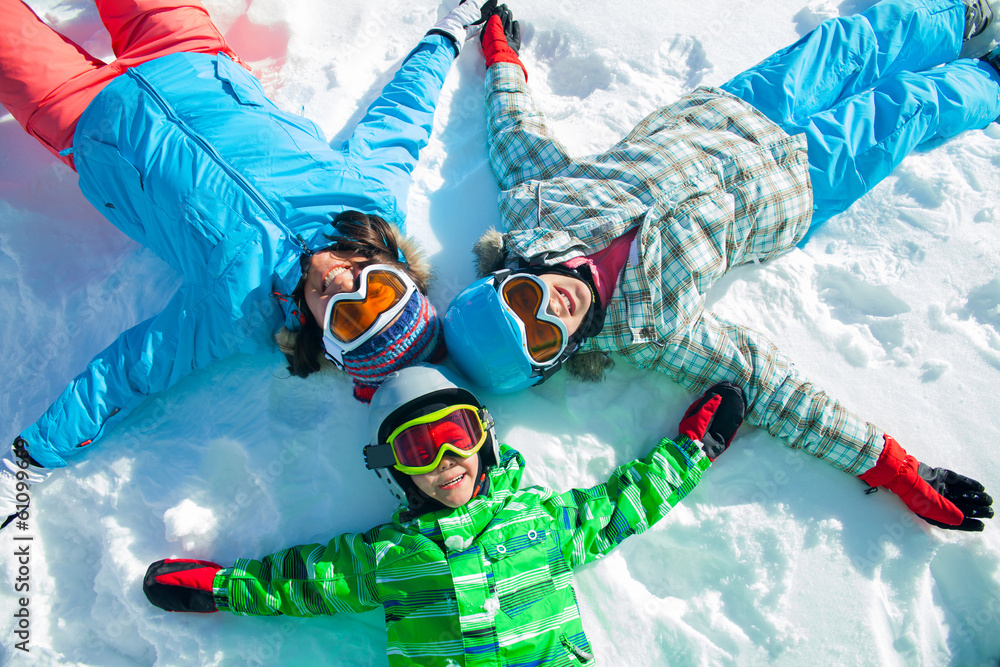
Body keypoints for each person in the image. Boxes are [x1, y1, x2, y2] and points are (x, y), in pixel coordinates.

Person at [442, 1, 999, 531]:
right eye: (542, 337)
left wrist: (500, 57)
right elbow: (775, 389)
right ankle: (990, 79)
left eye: (521, 298)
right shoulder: (654, 329)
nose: (551, 307)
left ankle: (966, 11)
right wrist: (897, 468)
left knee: (852, 43)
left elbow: (513, 133)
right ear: (556, 359)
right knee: (907, 109)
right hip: (795, 184)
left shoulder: (541, 204)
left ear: (506, 274)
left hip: (732, 111)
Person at [0, 0, 498, 528]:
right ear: (396, 270)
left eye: (347, 318)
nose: (343, 285)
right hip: (186, 53)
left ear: (321, 337)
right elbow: (405, 113)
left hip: (90, 123)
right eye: (376, 289)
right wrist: (447, 33)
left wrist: (28, 460)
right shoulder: (368, 194)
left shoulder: (236, 311)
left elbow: (128, 372)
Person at [142, 363, 744, 665]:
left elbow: (622, 505)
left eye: (457, 435)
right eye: (417, 449)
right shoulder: (384, 557)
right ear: (396, 469)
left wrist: (693, 449)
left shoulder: (542, 522)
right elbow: (301, 583)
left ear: (482, 437)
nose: (445, 460)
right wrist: (221, 588)